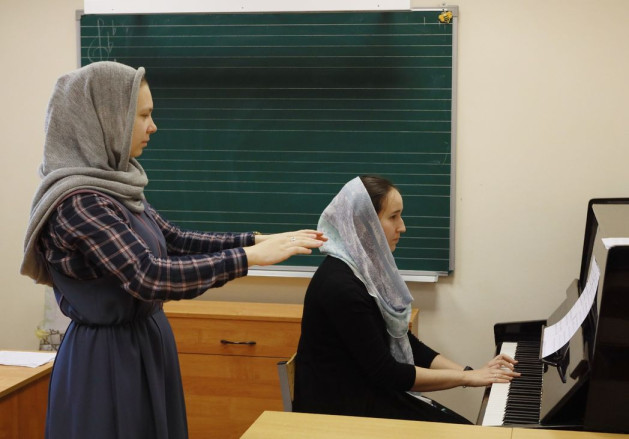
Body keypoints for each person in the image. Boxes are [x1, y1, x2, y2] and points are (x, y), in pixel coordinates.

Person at [20, 61, 326, 439]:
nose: (153, 126)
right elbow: (148, 275)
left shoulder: (114, 187)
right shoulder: (79, 201)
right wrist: (248, 258)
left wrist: (254, 240)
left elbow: (175, 240)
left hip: (143, 341)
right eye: (143, 115)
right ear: (105, 120)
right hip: (109, 359)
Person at [293, 175, 519, 423]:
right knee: (464, 431)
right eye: (393, 217)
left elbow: (404, 341)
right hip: (340, 411)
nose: (402, 227)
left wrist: (469, 372)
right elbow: (387, 373)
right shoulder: (340, 286)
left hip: (367, 392)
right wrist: (468, 378)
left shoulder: (366, 271)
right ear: (364, 223)